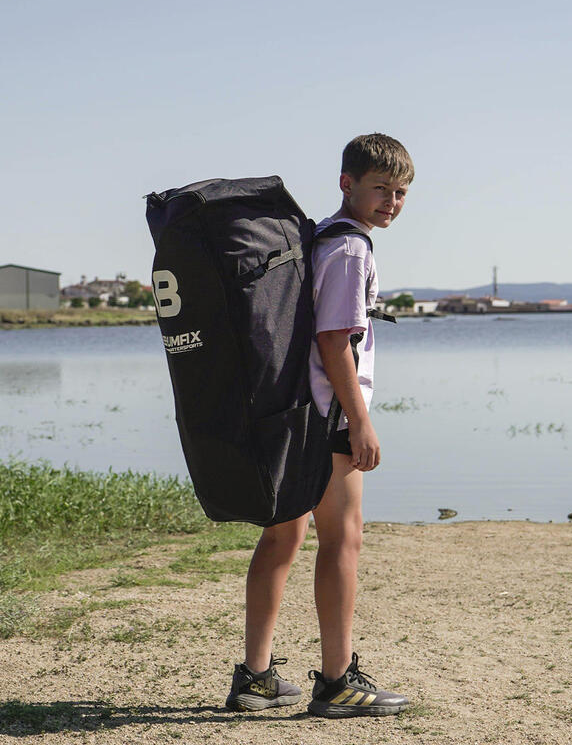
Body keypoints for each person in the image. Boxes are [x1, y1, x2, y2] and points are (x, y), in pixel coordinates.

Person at [226, 133, 414, 718]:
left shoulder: (319, 239)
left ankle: (255, 678)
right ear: (347, 183)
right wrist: (361, 422)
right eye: (381, 187)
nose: (392, 201)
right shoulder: (351, 249)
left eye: (401, 191)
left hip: (292, 411)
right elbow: (335, 341)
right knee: (343, 538)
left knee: (285, 535)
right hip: (329, 414)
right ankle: (337, 682)